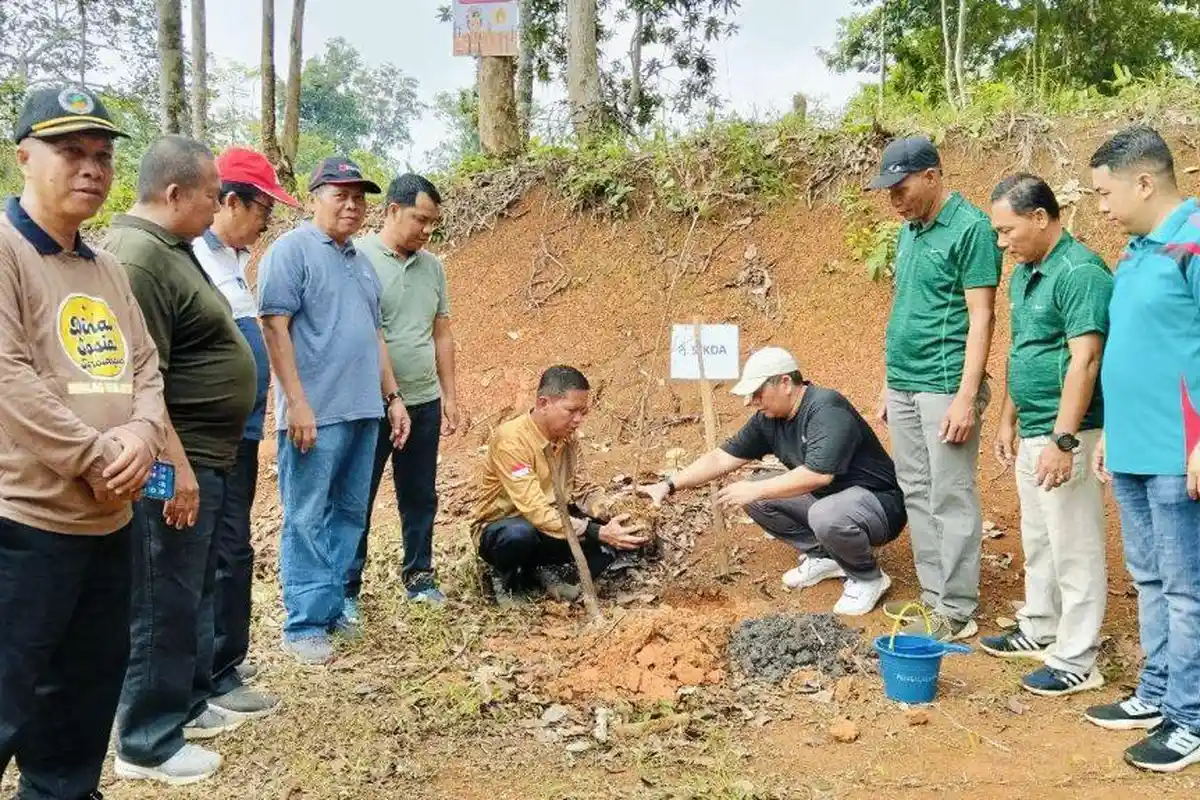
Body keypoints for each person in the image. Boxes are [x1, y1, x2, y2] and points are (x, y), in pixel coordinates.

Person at [0, 85, 167, 800]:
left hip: (110, 519)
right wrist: (98, 455)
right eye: (70, 151)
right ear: (23, 158)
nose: (91, 168)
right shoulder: (6, 252)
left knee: (86, 690)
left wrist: (140, 435)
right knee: (8, 691)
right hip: (26, 523)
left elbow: (145, 366)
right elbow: (8, 377)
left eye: (101, 155)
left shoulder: (106, 267)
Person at [106, 135, 260, 786]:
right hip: (176, 458)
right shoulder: (139, 258)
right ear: (174, 194)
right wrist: (178, 471)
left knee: (191, 587)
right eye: (208, 196)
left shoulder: (174, 250)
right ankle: (144, 742)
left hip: (206, 453)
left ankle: (187, 703)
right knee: (161, 596)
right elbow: (142, 381)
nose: (216, 206)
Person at [259, 157, 410, 665]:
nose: (351, 205)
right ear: (313, 197)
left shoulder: (360, 262)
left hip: (363, 411)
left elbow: (375, 336)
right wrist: (296, 403)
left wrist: (392, 399)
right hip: (313, 415)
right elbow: (274, 327)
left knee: (349, 514)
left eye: (359, 196)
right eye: (339, 194)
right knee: (306, 516)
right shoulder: (291, 251)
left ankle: (332, 607)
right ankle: (303, 623)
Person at [1083, 126, 1200, 774]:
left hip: (1178, 453)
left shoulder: (1194, 242)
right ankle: (1157, 696)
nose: (1101, 206)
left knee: (1187, 591)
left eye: (1105, 192)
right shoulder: (1134, 253)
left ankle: (1191, 718)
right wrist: (1111, 438)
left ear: (1144, 181)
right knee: (1150, 580)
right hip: (1131, 448)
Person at [639, 348, 906, 616]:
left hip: (879, 505)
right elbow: (721, 458)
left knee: (818, 512)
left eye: (757, 393)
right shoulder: (769, 420)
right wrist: (669, 484)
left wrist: (755, 489)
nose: (750, 402)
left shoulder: (826, 408)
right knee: (762, 498)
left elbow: (818, 475)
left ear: (785, 383)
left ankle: (868, 578)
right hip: (829, 500)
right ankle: (826, 556)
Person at [981, 174, 1112, 697]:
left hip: (1069, 431)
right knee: (1039, 539)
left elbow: (1087, 359)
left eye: (1007, 230)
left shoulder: (1080, 272)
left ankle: (1078, 657)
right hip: (1034, 425)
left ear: (1041, 217)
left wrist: (1064, 440)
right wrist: (1008, 418)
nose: (1001, 242)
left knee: (1075, 544)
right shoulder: (1025, 274)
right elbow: (1024, 352)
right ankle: (1040, 625)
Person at [868, 136, 1002, 641]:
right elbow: (904, 309)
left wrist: (966, 396)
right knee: (917, 491)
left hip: (945, 385)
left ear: (932, 176)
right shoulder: (910, 231)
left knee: (951, 494)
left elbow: (982, 316)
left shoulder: (970, 229)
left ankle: (959, 606)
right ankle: (933, 596)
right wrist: (888, 382)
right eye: (889, 192)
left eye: (901, 188)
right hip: (904, 383)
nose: (895, 200)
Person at [192, 148, 299, 708]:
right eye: (263, 210)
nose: (266, 224)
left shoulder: (231, 260)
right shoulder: (191, 259)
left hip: (241, 436)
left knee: (232, 548)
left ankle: (223, 662)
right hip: (205, 443)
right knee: (213, 553)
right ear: (229, 200)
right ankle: (209, 675)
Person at [347, 173, 460, 611]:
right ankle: (347, 587)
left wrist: (450, 395)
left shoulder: (433, 267)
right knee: (360, 494)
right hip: (369, 403)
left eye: (433, 223)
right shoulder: (357, 259)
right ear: (393, 210)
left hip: (423, 400)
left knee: (419, 493)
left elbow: (442, 334)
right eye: (420, 220)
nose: (427, 230)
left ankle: (419, 576)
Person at [473, 366, 648, 604]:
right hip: (509, 525)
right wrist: (594, 531)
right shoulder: (511, 440)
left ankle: (547, 572)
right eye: (571, 411)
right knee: (518, 536)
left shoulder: (568, 438)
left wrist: (610, 512)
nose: (578, 420)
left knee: (625, 535)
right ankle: (508, 580)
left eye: (583, 412)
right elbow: (535, 511)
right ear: (544, 403)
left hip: (555, 522)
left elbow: (584, 489)